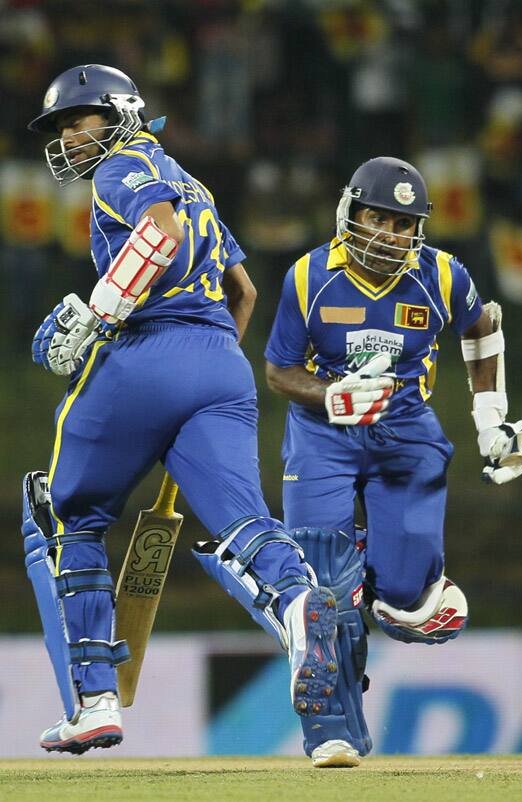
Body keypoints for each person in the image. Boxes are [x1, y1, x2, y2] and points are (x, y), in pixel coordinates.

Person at [24, 64, 339, 755]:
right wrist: (207, 370)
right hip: (223, 363)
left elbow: (158, 234)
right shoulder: (190, 178)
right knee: (246, 522)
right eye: (63, 128)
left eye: (81, 121)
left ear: (120, 115)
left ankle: (95, 701)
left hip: (142, 354)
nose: (72, 137)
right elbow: (245, 291)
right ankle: (297, 604)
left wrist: (100, 313)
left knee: (71, 517)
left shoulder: (122, 168)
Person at [265, 156, 522, 767]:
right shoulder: (309, 277)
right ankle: (332, 732)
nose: (388, 233)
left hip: (406, 431)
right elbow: (280, 370)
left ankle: (394, 591)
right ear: (349, 213)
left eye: (402, 223)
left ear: (419, 230)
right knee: (322, 580)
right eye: (376, 217)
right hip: (323, 433)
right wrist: (330, 394)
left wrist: (491, 418)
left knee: (407, 604)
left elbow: (482, 328)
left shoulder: (442, 276)